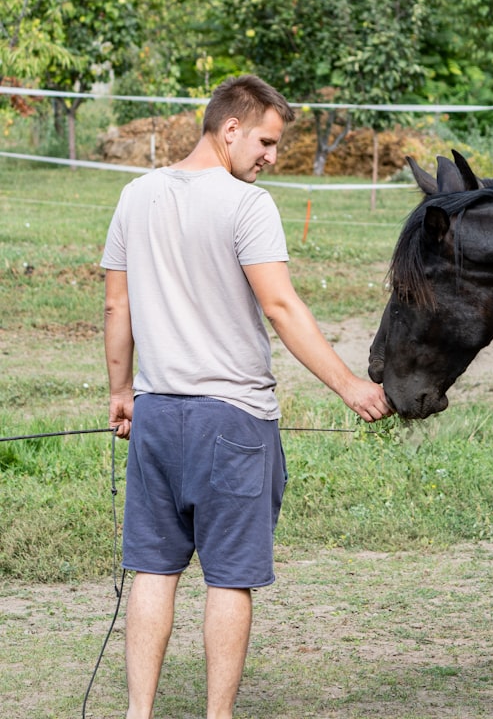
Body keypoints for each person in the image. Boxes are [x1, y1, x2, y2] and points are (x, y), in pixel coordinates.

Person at [102, 74, 393, 719]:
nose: (271, 156)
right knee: (230, 578)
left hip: (156, 413)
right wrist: (349, 385)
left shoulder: (135, 195)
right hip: (233, 421)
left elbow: (116, 306)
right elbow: (281, 306)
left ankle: (138, 713)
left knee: (153, 570)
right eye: (265, 141)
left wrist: (121, 391)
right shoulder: (247, 205)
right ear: (230, 128)